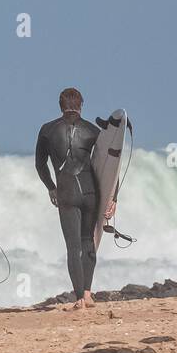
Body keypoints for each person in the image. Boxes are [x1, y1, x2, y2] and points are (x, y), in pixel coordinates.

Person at [34, 87, 116, 309]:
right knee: (88, 241)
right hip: (90, 191)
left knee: (73, 247)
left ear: (60, 105)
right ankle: (88, 294)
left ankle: (79, 297)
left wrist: (51, 187)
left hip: (66, 191)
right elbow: (109, 166)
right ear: (81, 104)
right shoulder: (93, 131)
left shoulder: (47, 130)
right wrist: (112, 198)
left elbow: (40, 164)